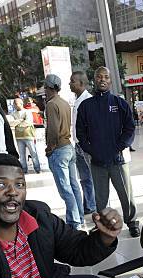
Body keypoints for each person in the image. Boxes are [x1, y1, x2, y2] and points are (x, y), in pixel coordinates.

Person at [76, 67, 140, 237]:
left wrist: (119, 146)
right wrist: (91, 151)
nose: (102, 80)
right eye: (99, 77)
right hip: (97, 161)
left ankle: (132, 221)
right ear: (94, 80)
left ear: (111, 81)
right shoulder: (86, 106)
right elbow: (80, 134)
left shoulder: (120, 103)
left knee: (126, 194)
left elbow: (130, 128)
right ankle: (103, 224)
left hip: (118, 159)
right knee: (101, 197)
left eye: (106, 77)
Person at [44, 74, 85, 230]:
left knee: (65, 189)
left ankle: (74, 222)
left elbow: (53, 130)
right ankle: (79, 217)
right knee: (74, 186)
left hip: (59, 149)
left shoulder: (51, 104)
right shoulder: (65, 103)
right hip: (69, 147)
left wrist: (50, 148)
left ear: (48, 87)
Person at [69, 71, 96, 215]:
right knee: (84, 178)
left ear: (81, 83)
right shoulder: (77, 100)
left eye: (72, 81)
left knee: (92, 176)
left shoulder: (89, 100)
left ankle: (95, 205)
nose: (70, 84)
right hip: (78, 144)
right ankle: (89, 204)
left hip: (86, 146)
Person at [10, 97, 41, 174]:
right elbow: (11, 123)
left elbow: (28, 122)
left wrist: (17, 124)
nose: (15, 105)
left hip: (28, 135)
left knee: (33, 153)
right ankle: (24, 169)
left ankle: (37, 168)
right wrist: (21, 120)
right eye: (14, 104)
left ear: (21, 104)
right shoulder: (13, 114)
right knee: (22, 155)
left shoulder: (27, 112)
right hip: (19, 137)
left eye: (16, 104)